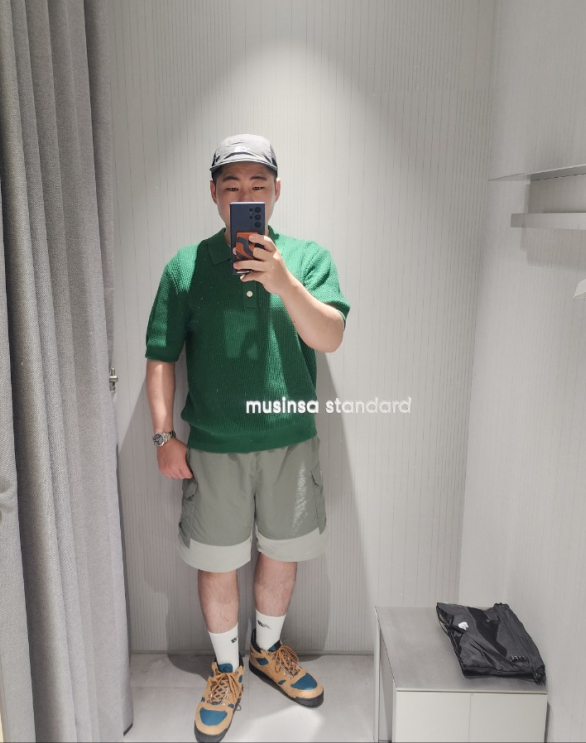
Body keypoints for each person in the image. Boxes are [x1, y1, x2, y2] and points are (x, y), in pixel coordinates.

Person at [145, 134, 350, 743]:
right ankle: (226, 670)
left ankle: (266, 651)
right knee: (217, 560)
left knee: (282, 551)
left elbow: (331, 336)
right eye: (231, 186)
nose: (245, 196)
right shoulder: (185, 267)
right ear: (213, 194)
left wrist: (283, 281)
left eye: (258, 185)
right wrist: (163, 436)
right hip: (211, 445)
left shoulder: (307, 259)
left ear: (276, 192)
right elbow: (160, 355)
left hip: (291, 440)